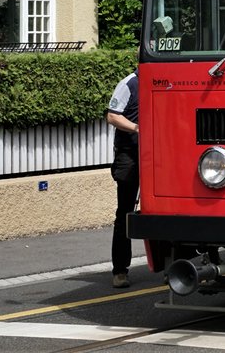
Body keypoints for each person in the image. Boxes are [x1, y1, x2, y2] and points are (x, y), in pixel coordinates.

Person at [106, 70, 139, 288]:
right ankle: (120, 270)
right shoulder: (129, 83)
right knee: (125, 212)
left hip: (155, 154)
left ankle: (167, 265)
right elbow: (113, 116)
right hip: (129, 155)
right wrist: (138, 128)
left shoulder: (165, 79)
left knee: (163, 210)